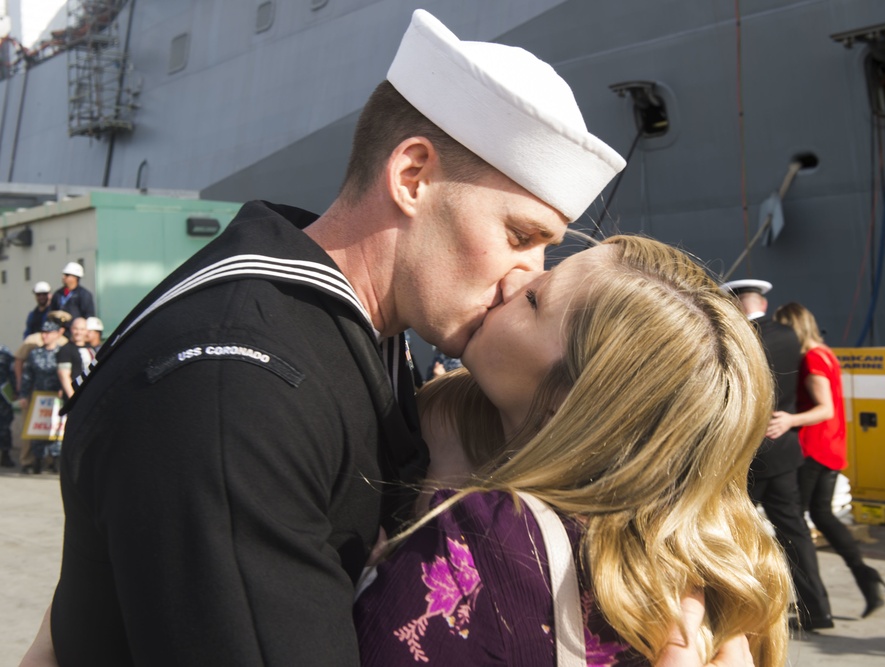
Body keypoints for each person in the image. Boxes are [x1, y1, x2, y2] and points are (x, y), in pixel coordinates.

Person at [37, 9, 626, 666]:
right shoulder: (237, 388)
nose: (526, 277)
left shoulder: (350, 332)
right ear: (412, 176)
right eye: (520, 236)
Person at [356, 237, 792, 667]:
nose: (513, 278)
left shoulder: (487, 535)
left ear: (570, 403)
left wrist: (379, 584)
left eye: (533, 299)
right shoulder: (706, 573)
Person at [720, 279, 833, 632]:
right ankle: (818, 610)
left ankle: (738, 609)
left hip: (747, 453)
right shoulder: (789, 337)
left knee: (728, 530)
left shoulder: (737, 338)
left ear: (736, 306)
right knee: (795, 532)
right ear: (763, 305)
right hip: (784, 451)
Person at [770, 301, 885, 618]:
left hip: (813, 448)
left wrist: (788, 420)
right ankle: (865, 577)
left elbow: (825, 408)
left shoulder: (811, 359)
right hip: (831, 446)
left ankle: (807, 595)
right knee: (822, 515)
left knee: (792, 522)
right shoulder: (826, 353)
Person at [18, 319, 65, 475]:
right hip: (39, 397)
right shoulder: (35, 354)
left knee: (56, 431)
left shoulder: (63, 352)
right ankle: (36, 463)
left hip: (57, 398)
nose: (45, 336)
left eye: (48, 332)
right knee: (38, 432)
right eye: (43, 332)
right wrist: (24, 395)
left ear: (57, 334)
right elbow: (27, 376)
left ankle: (55, 463)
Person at [55, 318, 95, 401]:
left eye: (82, 329)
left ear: (87, 331)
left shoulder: (91, 349)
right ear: (71, 329)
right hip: (75, 397)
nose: (78, 332)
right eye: (76, 329)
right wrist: (73, 399)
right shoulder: (66, 349)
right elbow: (64, 375)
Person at [0, 343, 14, 468]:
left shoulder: (5, 352)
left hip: (3, 397)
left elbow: (12, 373)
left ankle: (5, 455)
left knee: (4, 427)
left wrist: (16, 391)